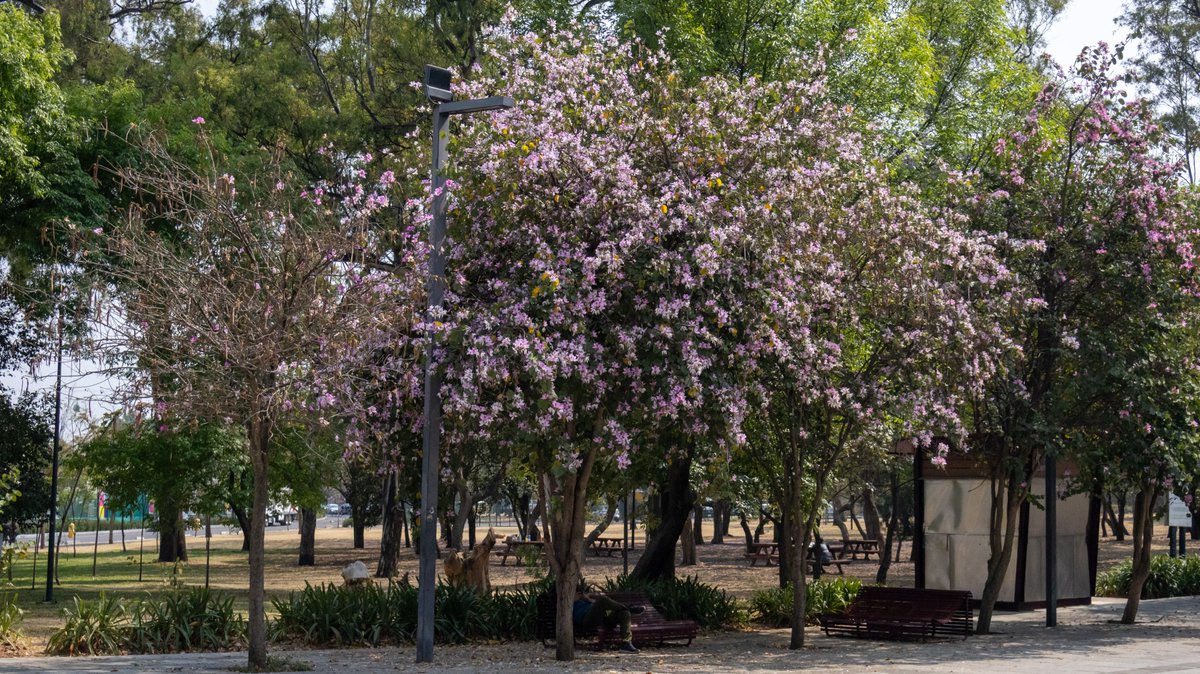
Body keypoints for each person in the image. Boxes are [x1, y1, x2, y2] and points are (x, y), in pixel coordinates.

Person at [573, 591, 643, 653]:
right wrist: (574, 599)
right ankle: (629, 608)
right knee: (603, 599)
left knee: (624, 613)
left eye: (580, 593)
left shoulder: (585, 601)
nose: (578, 595)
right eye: (576, 593)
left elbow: (597, 605)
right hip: (586, 619)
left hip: (602, 617)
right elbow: (601, 602)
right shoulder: (566, 604)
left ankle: (626, 643)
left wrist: (587, 598)